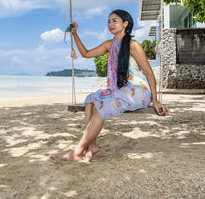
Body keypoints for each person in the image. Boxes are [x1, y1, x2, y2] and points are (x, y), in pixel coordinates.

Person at [55, 9, 169, 163]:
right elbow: (86, 53)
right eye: (109, 21)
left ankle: (77, 151)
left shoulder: (133, 45)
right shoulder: (110, 45)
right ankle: (92, 146)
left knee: (102, 106)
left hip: (137, 91)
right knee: (91, 100)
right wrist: (75, 34)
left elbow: (149, 73)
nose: (110, 24)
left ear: (125, 24)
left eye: (115, 20)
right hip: (119, 90)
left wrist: (155, 100)